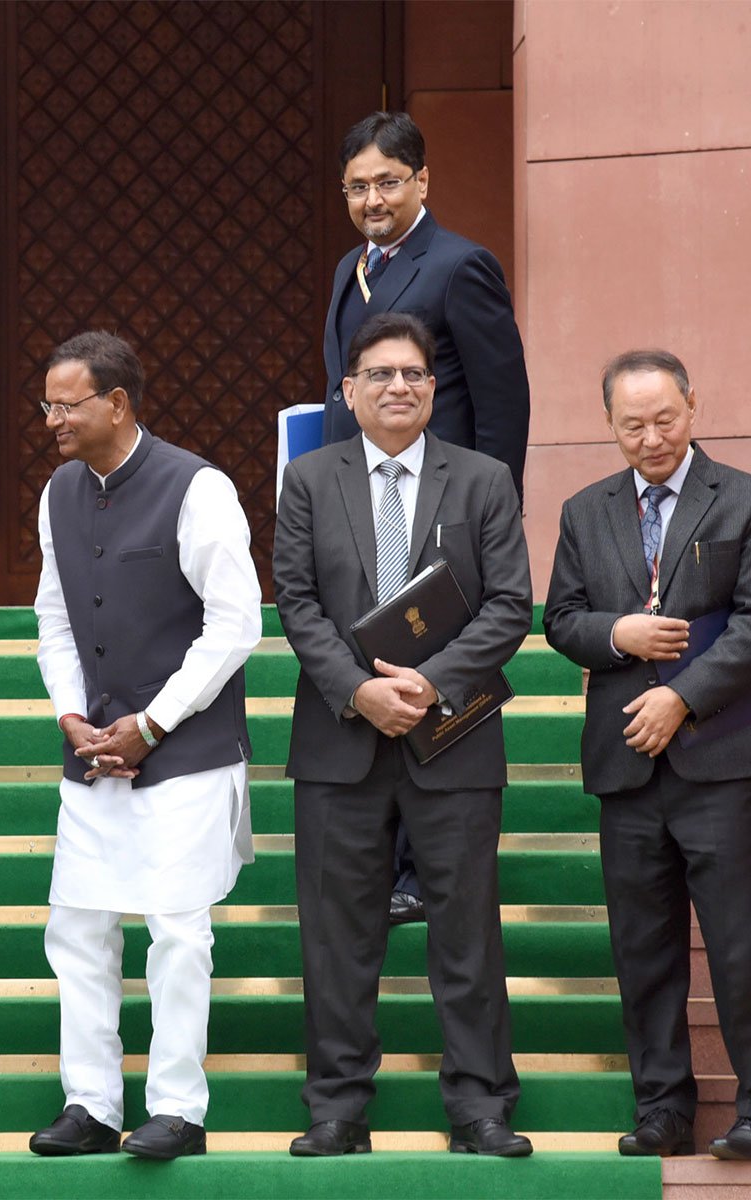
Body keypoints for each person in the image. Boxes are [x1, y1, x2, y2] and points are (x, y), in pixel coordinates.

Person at [274, 312, 532, 1158]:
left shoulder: (485, 478)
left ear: (433, 388)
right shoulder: (309, 478)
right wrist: (357, 692)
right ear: (348, 392)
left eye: (413, 374)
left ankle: (480, 1105)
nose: (397, 387)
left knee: (466, 931)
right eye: (379, 374)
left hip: (452, 734)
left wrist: (432, 683)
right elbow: (297, 603)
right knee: (337, 934)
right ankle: (338, 1108)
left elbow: (506, 603)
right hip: (339, 743)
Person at [27, 331, 259, 1161]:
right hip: (91, 751)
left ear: (117, 404)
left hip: (186, 753)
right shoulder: (57, 491)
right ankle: (89, 1103)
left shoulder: (199, 488)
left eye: (67, 403)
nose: (51, 418)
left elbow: (237, 624)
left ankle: (177, 1111)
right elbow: (53, 616)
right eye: (47, 403)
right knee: (79, 929)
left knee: (178, 932)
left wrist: (153, 724)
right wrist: (68, 715)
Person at [320, 112, 532, 925]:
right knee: (372, 664)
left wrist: (494, 515)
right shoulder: (352, 269)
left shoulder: (460, 266)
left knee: (430, 670)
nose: (374, 199)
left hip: (445, 515)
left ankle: (421, 867)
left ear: (423, 183)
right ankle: (384, 855)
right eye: (358, 186)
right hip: (361, 505)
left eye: (388, 182)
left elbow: (503, 399)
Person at [543, 350, 751, 1161]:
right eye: (633, 425)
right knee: (644, 948)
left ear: (692, 407)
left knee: (738, 944)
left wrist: (683, 695)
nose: (651, 437)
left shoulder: (739, 499)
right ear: (609, 426)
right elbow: (561, 619)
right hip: (626, 766)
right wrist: (616, 633)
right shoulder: (584, 510)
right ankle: (662, 1109)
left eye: (665, 419)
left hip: (720, 760)